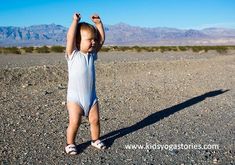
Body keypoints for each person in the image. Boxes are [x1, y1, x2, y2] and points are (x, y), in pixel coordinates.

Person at [65, 12, 106, 155]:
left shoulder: (92, 55)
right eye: (89, 40)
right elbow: (70, 37)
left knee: (95, 120)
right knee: (75, 122)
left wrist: (99, 25)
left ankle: (95, 140)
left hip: (91, 98)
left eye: (93, 39)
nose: (93, 42)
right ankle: (70, 144)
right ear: (78, 42)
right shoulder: (73, 55)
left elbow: (101, 41)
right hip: (75, 99)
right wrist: (75, 21)